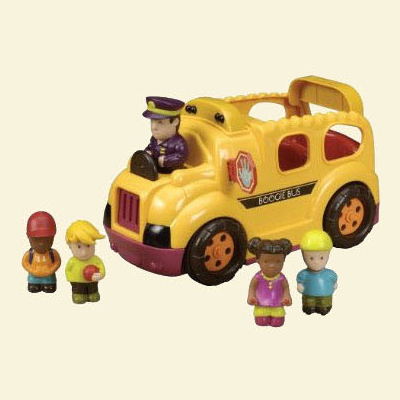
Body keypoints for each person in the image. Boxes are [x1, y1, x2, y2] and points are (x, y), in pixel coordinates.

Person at [247, 238, 292, 327]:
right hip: (261, 305)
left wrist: (286, 297)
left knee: (277, 323)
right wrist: (251, 296)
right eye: (266, 261)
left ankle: (276, 317)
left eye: (278, 262)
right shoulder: (258, 277)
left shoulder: (281, 278)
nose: (272, 266)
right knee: (261, 322)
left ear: (283, 261)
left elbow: (286, 288)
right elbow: (252, 287)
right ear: (258, 261)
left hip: (277, 305)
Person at [296, 229, 338, 315]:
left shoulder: (330, 274)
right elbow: (300, 280)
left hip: (325, 294)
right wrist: (300, 285)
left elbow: (334, 279)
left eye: (321, 258)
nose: (316, 262)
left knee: (324, 303)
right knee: (309, 303)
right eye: (311, 258)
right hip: (308, 294)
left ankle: (324, 307)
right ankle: (309, 307)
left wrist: (334, 284)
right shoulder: (304, 274)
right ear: (303, 256)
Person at [143, 96, 188, 173]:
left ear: (175, 122)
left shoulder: (178, 143)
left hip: (172, 173)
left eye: (160, 122)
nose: (154, 127)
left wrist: (166, 160)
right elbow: (150, 147)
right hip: (154, 171)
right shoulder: (154, 139)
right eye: (152, 122)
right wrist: (147, 153)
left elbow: (181, 156)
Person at [65, 220, 105, 304]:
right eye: (79, 246)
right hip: (77, 282)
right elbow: (68, 270)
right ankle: (78, 295)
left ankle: (93, 293)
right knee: (79, 290)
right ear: (70, 246)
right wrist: (71, 278)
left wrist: (98, 275)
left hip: (92, 282)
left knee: (93, 289)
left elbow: (102, 271)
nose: (84, 252)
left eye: (88, 246)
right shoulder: (72, 261)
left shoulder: (96, 260)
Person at [22, 211, 61, 293]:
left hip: (49, 278)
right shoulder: (30, 254)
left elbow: (58, 261)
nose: (41, 243)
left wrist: (51, 270)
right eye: (37, 239)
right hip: (33, 278)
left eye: (46, 240)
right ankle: (34, 285)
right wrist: (32, 270)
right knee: (33, 287)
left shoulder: (52, 253)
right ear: (29, 237)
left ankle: (48, 285)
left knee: (50, 288)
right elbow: (24, 263)